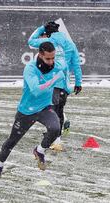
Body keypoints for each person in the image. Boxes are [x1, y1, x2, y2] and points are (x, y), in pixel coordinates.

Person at [0, 42, 65, 178]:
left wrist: (68, 87)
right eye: (48, 59)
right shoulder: (30, 68)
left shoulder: (57, 66)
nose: (51, 62)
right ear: (40, 55)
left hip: (45, 107)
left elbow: (63, 75)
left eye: (53, 58)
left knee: (56, 129)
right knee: (11, 142)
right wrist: (54, 80)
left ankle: (39, 150)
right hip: (26, 111)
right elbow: (35, 90)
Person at [28, 21, 82, 151]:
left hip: (51, 82)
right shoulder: (70, 44)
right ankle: (56, 137)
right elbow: (76, 64)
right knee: (58, 110)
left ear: (48, 32)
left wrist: (41, 28)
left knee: (49, 110)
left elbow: (30, 41)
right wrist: (78, 82)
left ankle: (55, 138)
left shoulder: (48, 43)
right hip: (64, 83)